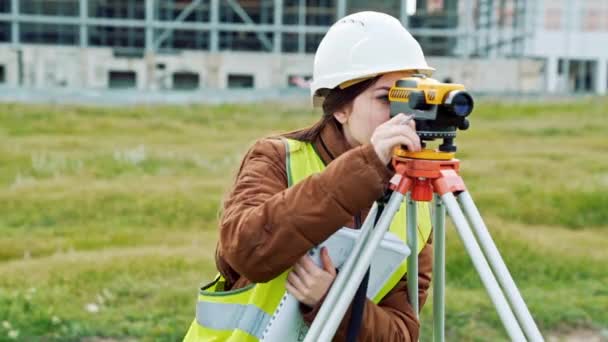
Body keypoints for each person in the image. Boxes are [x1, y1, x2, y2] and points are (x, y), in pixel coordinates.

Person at [184, 11, 435, 342]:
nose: (402, 114)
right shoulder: (277, 158)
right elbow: (247, 251)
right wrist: (367, 165)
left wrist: (332, 300)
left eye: (410, 96)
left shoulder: (412, 204)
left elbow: (401, 335)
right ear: (340, 108)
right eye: (386, 97)